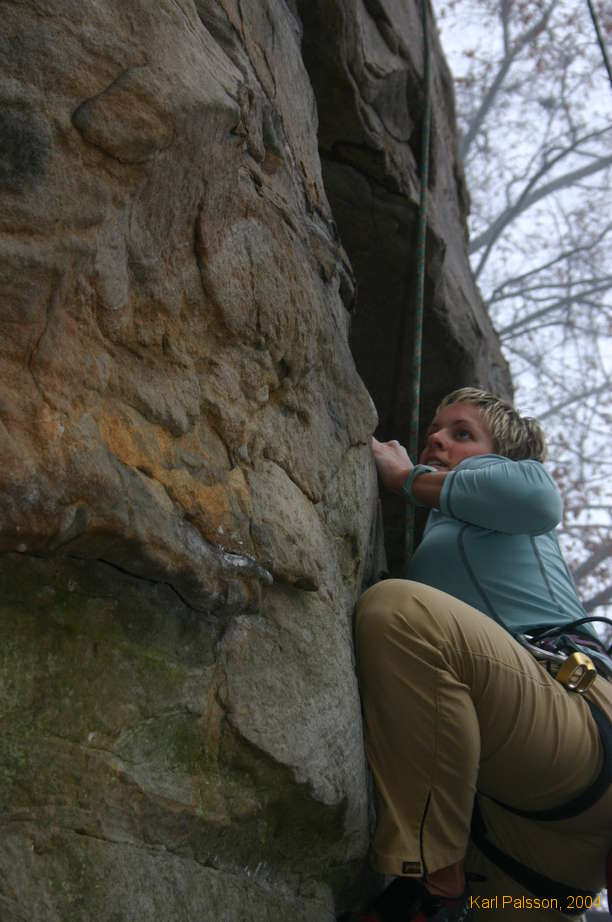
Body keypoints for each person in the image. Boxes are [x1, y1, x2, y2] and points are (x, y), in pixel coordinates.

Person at [347, 388, 612, 922]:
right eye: (434, 432)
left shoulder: (517, 482)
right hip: (530, 846)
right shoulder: (446, 535)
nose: (437, 440)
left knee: (400, 612)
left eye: (461, 432)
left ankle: (432, 875)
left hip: (574, 721)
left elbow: (537, 500)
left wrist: (407, 479)